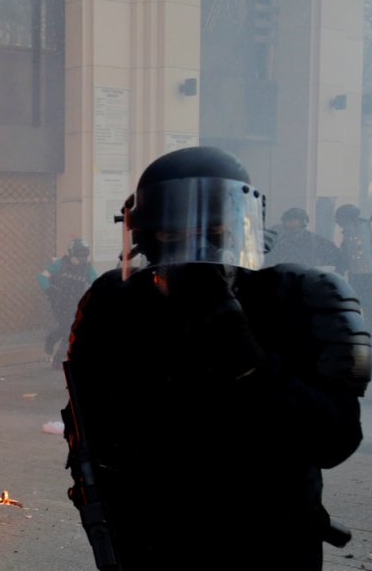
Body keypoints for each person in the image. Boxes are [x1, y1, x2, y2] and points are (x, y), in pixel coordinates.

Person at [61, 146, 369, 570]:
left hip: (267, 537)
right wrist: (96, 499)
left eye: (218, 229)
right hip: (149, 534)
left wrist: (236, 343)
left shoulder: (299, 296)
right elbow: (85, 418)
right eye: (174, 234)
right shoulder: (113, 301)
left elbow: (333, 440)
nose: (198, 250)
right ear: (146, 236)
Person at [37, 238, 97, 360]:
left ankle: (51, 339)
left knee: (67, 327)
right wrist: (49, 290)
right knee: (68, 329)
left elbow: (96, 283)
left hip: (76, 302)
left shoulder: (87, 268)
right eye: (78, 254)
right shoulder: (61, 264)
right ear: (71, 253)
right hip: (60, 302)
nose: (81, 258)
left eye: (84, 254)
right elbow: (42, 277)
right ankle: (58, 360)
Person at [264, 207, 344, 271]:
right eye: (288, 220)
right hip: (283, 275)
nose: (290, 222)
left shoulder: (314, 240)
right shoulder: (279, 240)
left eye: (294, 220)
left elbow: (335, 255)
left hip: (305, 276)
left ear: (303, 222)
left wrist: (316, 263)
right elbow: (269, 257)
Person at [335, 203, 372, 327]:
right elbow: (346, 255)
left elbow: (346, 255)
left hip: (365, 277)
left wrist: (339, 269)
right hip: (357, 276)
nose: (341, 226)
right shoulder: (351, 232)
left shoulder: (364, 228)